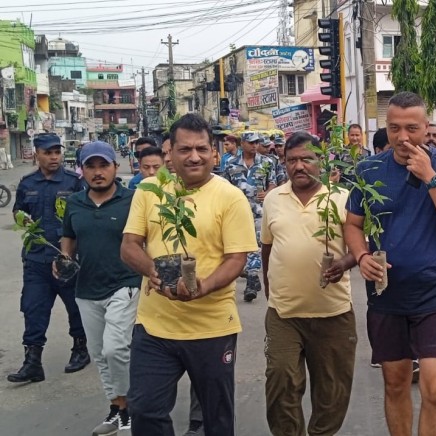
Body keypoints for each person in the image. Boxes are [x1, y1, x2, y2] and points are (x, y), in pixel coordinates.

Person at [343, 91, 436, 436]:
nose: (403, 137)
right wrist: (362, 256)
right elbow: (353, 224)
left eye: (412, 128)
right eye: (394, 128)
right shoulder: (368, 169)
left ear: (427, 127)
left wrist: (431, 177)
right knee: (396, 382)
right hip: (387, 293)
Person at [121, 114, 257, 436]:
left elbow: (236, 258)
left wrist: (204, 286)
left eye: (201, 148)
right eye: (185, 149)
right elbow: (129, 246)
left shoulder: (230, 197)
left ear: (214, 152)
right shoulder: (150, 190)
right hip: (155, 326)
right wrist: (153, 270)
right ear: (170, 153)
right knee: (145, 410)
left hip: (211, 327)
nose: (194, 156)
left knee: (217, 418)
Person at [262, 131, 358, 436]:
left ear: (321, 160)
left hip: (333, 313)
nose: (299, 166)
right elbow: (267, 247)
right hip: (284, 314)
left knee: (332, 391)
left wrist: (344, 263)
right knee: (281, 381)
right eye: (292, 160)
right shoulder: (274, 199)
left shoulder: (341, 198)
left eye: (307, 158)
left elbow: (361, 247)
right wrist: (268, 286)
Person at [60, 141, 141, 434]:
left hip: (125, 282)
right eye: (90, 166)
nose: (97, 173)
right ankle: (117, 408)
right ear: (81, 171)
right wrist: (63, 259)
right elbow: (68, 238)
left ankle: (131, 408)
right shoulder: (73, 203)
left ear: (114, 168)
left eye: (103, 165)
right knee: (99, 353)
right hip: (86, 288)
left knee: (115, 348)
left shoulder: (133, 199)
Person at [8, 133, 89, 383]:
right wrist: (22, 219)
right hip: (36, 259)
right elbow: (18, 211)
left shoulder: (74, 182)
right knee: (33, 308)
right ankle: (33, 361)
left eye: (57, 152)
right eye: (48, 153)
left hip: (65, 258)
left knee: (75, 308)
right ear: (37, 154)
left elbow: (84, 215)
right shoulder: (27, 183)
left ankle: (80, 349)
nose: (54, 157)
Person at [224, 131, 277, 302]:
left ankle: (252, 280)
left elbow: (273, 183)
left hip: (259, 211)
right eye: (251, 143)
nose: (254, 145)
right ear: (242, 144)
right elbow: (224, 187)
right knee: (240, 246)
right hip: (237, 212)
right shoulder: (231, 164)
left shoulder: (267, 163)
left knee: (256, 245)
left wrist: (268, 192)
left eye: (256, 143)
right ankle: (247, 272)